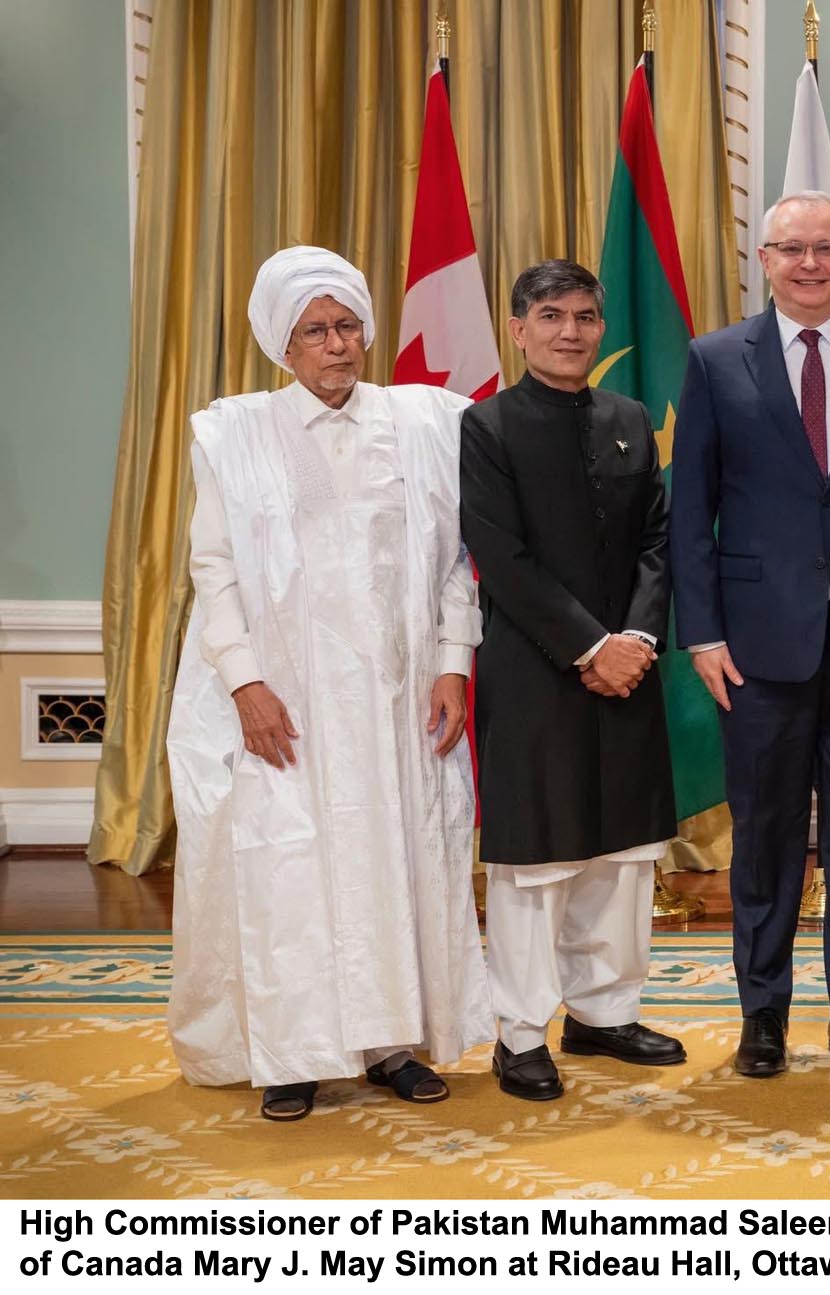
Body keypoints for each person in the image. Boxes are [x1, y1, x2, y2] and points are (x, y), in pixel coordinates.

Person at [166, 246, 492, 1121]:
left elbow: (457, 560)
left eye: (347, 325)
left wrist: (453, 663)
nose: (336, 344)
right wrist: (244, 684)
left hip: (398, 694)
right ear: (283, 343)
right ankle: (294, 1053)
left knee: (398, 858)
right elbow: (213, 569)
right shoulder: (233, 432)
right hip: (287, 698)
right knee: (291, 868)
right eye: (314, 330)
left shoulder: (426, 423)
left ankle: (393, 1044)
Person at [670, 191, 830, 1080]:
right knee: (766, 839)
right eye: (793, 248)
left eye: (827, 248)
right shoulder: (715, 360)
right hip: (755, 649)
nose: (810, 263)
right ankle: (764, 1014)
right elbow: (691, 509)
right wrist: (702, 634)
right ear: (766, 260)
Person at [461, 260, 686, 1101]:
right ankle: (521, 1034)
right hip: (536, 672)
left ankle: (604, 1013)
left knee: (622, 857)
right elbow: (500, 557)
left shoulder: (628, 418)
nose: (570, 331)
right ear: (518, 329)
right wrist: (591, 648)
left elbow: (657, 539)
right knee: (540, 862)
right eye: (551, 316)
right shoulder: (486, 426)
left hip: (630, 668)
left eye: (585, 316)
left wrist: (636, 637)